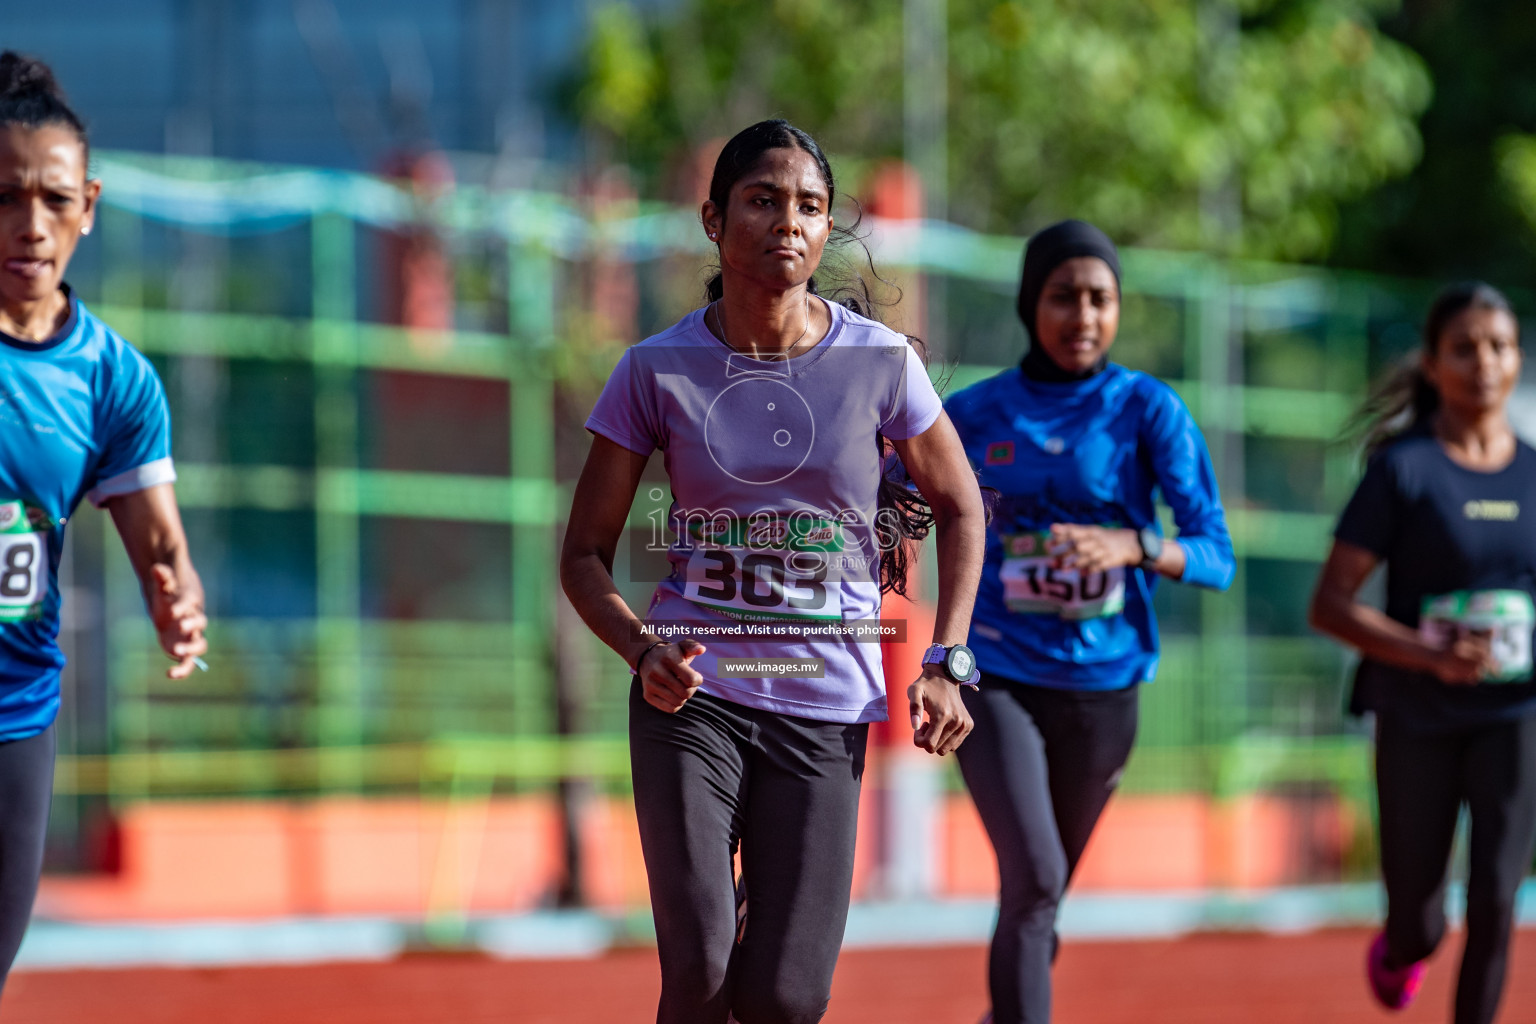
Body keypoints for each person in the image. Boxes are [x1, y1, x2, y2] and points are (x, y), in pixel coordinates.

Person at [560, 119, 986, 1024]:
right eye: (762, 200)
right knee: (704, 974)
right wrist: (641, 651)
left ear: (828, 228)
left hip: (823, 703)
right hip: (692, 701)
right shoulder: (653, 370)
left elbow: (963, 505)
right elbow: (586, 555)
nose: (787, 222)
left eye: (810, 206)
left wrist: (950, 661)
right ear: (714, 220)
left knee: (788, 1000)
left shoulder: (880, 365)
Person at [944, 220, 1234, 1024]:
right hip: (996, 677)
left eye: (1100, 299)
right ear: (1029, 303)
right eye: (1063, 296)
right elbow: (884, 498)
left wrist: (1135, 545)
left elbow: (1216, 555)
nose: (1083, 316)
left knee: (1041, 897)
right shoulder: (973, 413)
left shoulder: (1147, 409)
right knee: (1034, 878)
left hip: (1105, 690)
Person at [0, 52, 208, 994]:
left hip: (16, 711)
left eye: (50, 199)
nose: (29, 226)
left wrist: (178, 599)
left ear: (87, 203)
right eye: (5, 198)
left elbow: (160, 545)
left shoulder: (112, 380)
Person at [1310, 282, 1536, 1024]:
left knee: (1500, 898)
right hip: (1417, 712)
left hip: (1514, 712)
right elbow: (1331, 605)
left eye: (1499, 346)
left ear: (1518, 359)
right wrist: (1430, 651)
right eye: (1464, 348)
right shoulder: (1404, 470)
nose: (1484, 363)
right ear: (1434, 366)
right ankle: (1403, 946)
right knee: (1423, 919)